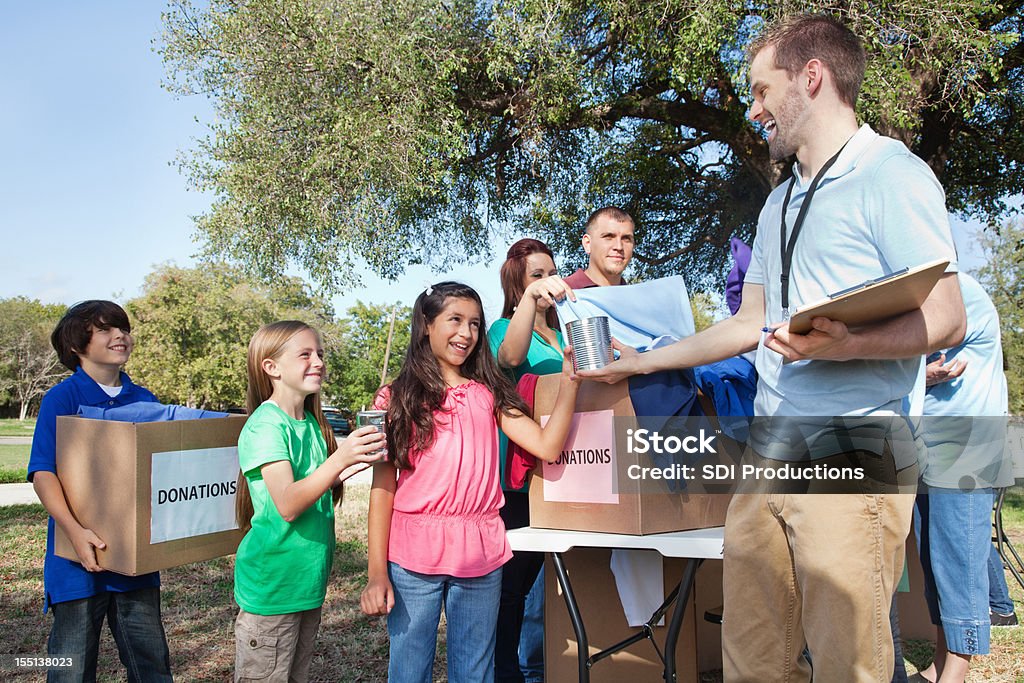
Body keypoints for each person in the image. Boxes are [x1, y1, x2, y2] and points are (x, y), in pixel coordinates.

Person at [581, 14, 965, 682]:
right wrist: (641, 360)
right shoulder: (779, 202)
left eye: (762, 90)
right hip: (767, 451)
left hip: (854, 448)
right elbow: (747, 324)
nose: (754, 109)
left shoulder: (892, 174)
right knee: (752, 658)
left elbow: (947, 317)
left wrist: (848, 345)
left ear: (810, 78)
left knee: (849, 663)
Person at [359, 282, 581, 683]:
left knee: (475, 672)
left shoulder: (489, 394)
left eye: (475, 324)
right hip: (413, 556)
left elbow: (547, 446)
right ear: (426, 324)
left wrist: (570, 382)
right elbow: (382, 490)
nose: (466, 333)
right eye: (455, 320)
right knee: (409, 670)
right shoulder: (395, 399)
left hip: (481, 552)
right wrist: (377, 572)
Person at [27, 300, 173, 682]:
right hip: (76, 563)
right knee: (69, 669)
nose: (119, 335)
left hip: (134, 565)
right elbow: (43, 472)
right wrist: (75, 532)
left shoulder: (146, 401)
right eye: (105, 329)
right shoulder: (62, 399)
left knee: (152, 666)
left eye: (123, 328)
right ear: (77, 344)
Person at [233, 320, 385, 683]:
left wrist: (359, 459)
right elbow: (287, 503)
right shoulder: (266, 425)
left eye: (319, 353)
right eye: (305, 354)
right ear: (272, 368)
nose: (317, 361)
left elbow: (318, 485)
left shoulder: (311, 424)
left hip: (304, 585)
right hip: (273, 588)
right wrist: (340, 459)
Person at [911, 273, 1013, 682]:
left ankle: (957, 670)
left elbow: (918, 363)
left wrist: (919, 375)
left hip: (967, 438)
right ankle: (941, 662)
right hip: (925, 440)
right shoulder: (915, 299)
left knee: (960, 558)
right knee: (933, 558)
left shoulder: (956, 292)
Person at [488, 238, 575, 682]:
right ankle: (506, 672)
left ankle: (539, 668)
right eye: (534, 275)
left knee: (549, 590)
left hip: (567, 474)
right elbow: (511, 358)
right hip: (519, 479)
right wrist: (527, 300)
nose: (546, 282)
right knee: (512, 589)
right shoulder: (504, 329)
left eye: (550, 272)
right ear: (517, 286)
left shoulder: (565, 335)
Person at [562, 206, 635, 289]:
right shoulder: (560, 294)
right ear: (587, 243)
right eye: (608, 237)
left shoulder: (637, 299)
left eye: (626, 239)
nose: (619, 247)